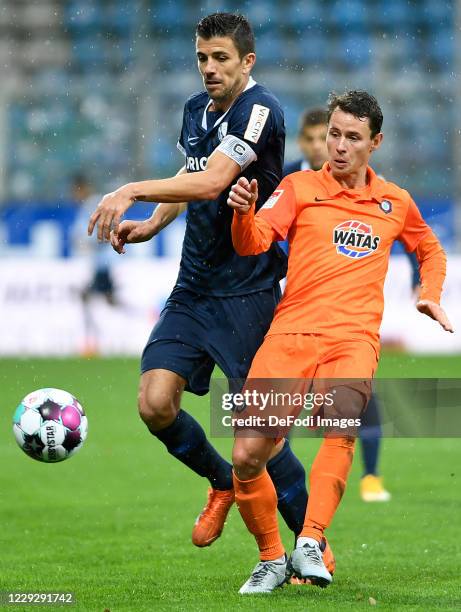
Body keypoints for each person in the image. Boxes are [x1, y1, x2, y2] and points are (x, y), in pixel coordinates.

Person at [86, 12, 332, 565]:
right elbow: (191, 175)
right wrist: (152, 222)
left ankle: (312, 545)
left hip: (248, 294)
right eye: (202, 57)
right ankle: (220, 481)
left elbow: (216, 179)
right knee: (154, 403)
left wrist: (129, 189)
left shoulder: (260, 110)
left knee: (264, 438)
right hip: (194, 288)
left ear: (247, 61)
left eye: (220, 58)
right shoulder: (195, 109)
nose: (208, 68)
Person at [227, 89, 452, 594]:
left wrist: (429, 293)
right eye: (334, 134)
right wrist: (242, 213)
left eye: (353, 137)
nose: (340, 146)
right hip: (291, 333)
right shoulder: (299, 187)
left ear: (376, 142)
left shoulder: (395, 201)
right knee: (245, 456)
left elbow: (430, 248)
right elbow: (254, 241)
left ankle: (311, 538)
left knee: (339, 425)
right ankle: (271, 558)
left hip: (353, 339)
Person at [71, 173, 119, 355]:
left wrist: (88, 242)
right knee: (108, 301)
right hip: (100, 265)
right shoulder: (87, 206)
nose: (73, 196)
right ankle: (94, 340)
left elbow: (105, 234)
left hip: (103, 265)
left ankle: (92, 341)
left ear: (81, 188)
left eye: (75, 191)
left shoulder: (94, 205)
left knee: (89, 298)